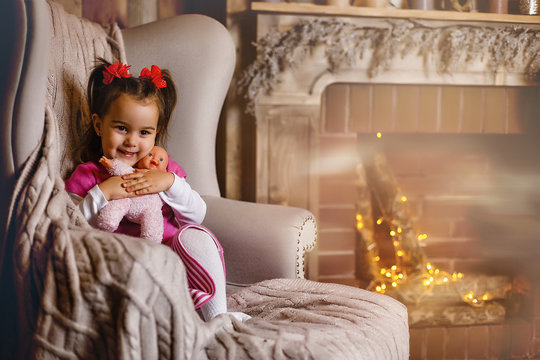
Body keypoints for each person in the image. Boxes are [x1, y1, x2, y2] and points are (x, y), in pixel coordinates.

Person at [64, 59, 249, 322]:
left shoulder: (163, 169)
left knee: (198, 236)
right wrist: (103, 192)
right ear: (98, 125)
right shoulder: (88, 174)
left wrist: (170, 184)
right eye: (121, 128)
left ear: (156, 133)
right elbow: (71, 228)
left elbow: (196, 216)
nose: (131, 141)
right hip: (124, 267)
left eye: (144, 132)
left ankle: (217, 316)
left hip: (171, 262)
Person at [96, 145, 170, 243]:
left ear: (165, 171)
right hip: (128, 201)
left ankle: (152, 239)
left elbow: (176, 196)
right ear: (140, 160)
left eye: (161, 160)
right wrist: (111, 164)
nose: (155, 160)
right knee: (120, 201)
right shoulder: (134, 172)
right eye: (150, 155)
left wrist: (171, 181)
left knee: (153, 216)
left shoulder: (164, 183)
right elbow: (122, 169)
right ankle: (108, 221)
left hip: (150, 209)